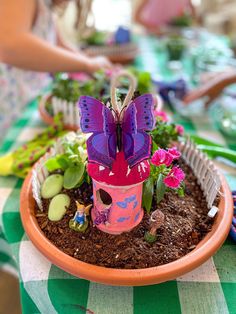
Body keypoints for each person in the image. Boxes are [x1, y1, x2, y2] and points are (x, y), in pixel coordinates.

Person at [0, 0, 112, 142]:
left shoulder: (44, 5)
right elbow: (11, 45)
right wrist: (87, 64)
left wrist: (92, 66)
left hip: (30, 102)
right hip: (8, 109)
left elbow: (59, 45)